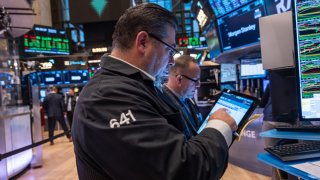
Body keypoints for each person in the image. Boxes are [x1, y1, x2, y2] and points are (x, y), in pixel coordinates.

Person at [72, 3, 237, 180]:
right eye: (169, 49)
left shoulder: (131, 86)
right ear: (142, 42)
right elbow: (185, 170)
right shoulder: (107, 96)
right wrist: (219, 127)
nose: (171, 61)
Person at [161, 55, 203, 138]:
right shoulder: (163, 103)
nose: (198, 85)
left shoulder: (187, 96)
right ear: (179, 79)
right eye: (195, 80)